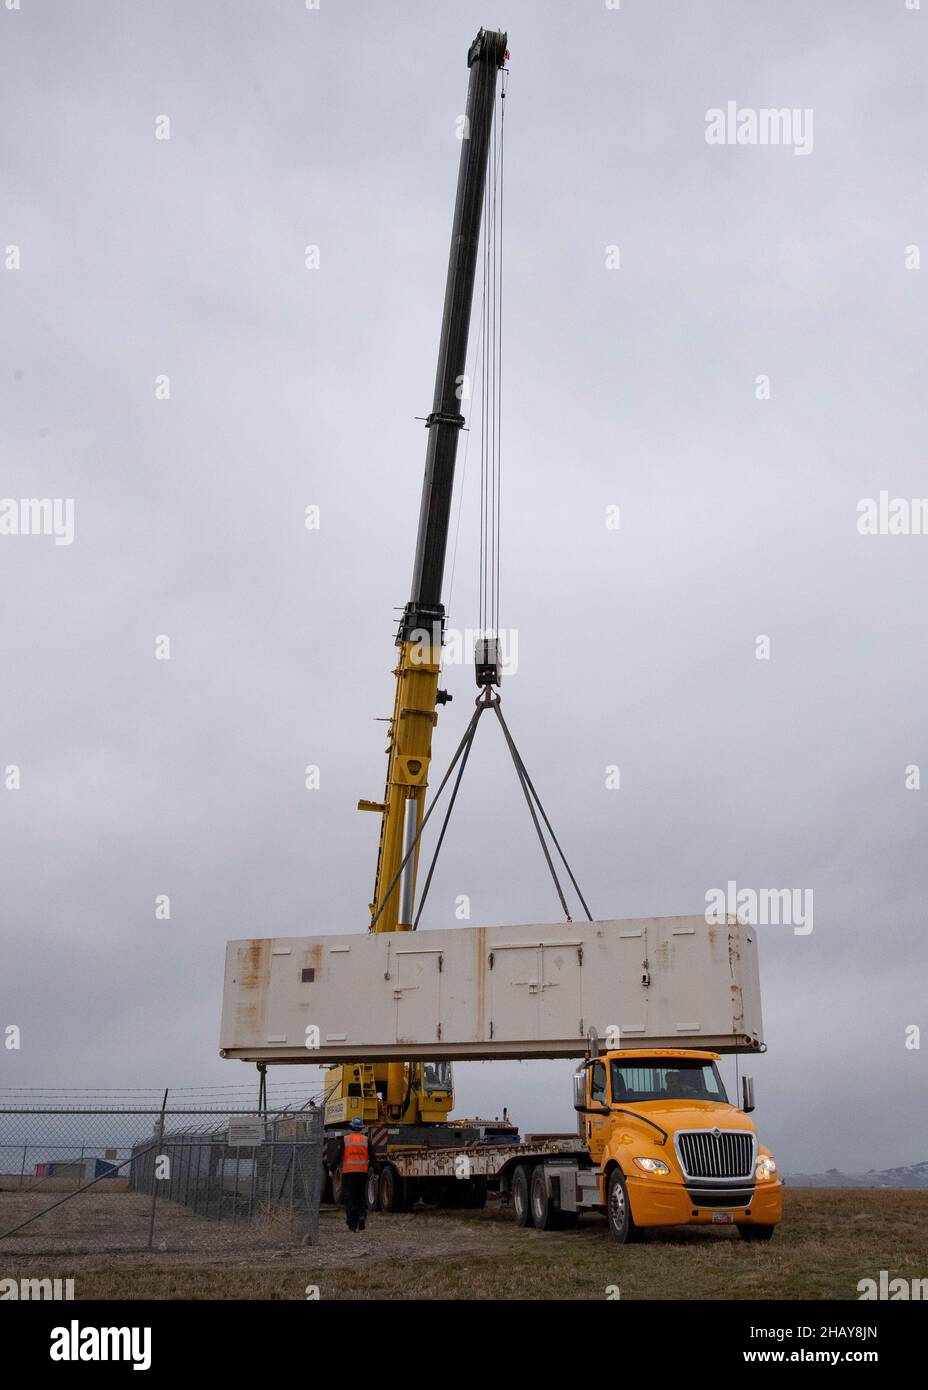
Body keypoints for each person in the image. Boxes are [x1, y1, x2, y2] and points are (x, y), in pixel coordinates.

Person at [331, 1116, 375, 1232]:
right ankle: (361, 1216)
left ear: (352, 1127)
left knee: (350, 1198)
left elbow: (338, 1155)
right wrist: (376, 1169)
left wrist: (332, 1167)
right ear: (361, 1128)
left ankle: (352, 1223)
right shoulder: (366, 1140)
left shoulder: (346, 1140)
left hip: (348, 1173)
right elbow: (373, 1156)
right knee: (360, 1196)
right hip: (362, 1173)